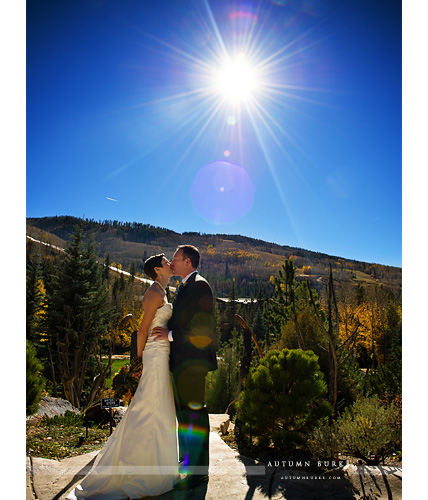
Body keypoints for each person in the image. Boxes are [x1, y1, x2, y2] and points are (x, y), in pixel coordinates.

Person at [67, 254, 178, 499]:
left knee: (158, 408)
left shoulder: (163, 291)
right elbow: (142, 330)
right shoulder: (154, 294)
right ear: (158, 270)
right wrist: (138, 363)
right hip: (154, 356)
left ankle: (157, 467)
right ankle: (138, 469)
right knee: (147, 408)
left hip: (162, 354)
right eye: (167, 261)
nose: (172, 263)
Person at [151, 245, 218, 490]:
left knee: (194, 416)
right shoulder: (186, 285)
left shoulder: (199, 286)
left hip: (193, 363)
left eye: (176, 258)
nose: (172, 262)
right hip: (182, 362)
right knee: (184, 415)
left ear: (188, 262)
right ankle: (187, 463)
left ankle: (198, 472)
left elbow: (200, 329)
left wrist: (170, 335)